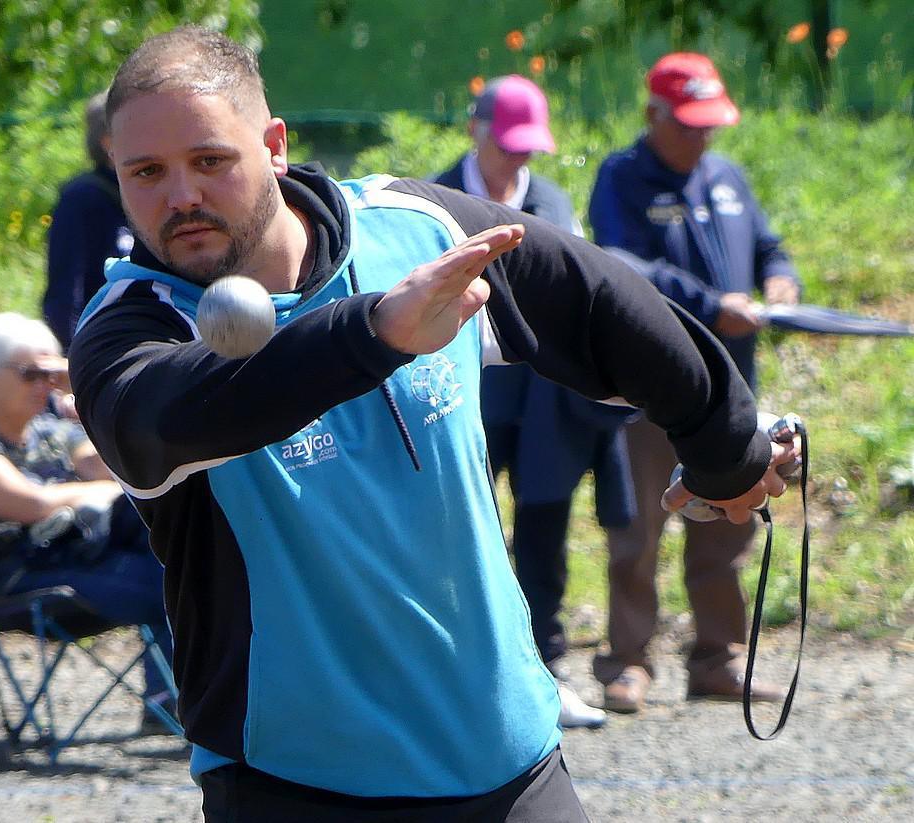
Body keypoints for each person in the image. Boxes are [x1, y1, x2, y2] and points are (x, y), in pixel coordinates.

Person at [69, 27, 797, 821]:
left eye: (210, 160)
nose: (180, 197)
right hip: (297, 784)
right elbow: (174, 414)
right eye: (146, 172)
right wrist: (374, 331)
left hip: (511, 760)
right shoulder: (128, 332)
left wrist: (723, 441)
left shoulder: (413, 232)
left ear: (274, 146)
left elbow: (598, 306)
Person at [587, 52, 801, 714]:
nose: (701, 136)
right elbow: (622, 263)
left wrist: (779, 277)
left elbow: (768, 244)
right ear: (653, 115)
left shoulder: (726, 175)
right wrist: (712, 304)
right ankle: (627, 661)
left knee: (731, 523)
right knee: (639, 532)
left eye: (710, 125)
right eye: (688, 124)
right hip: (650, 387)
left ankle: (718, 657)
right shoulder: (620, 178)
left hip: (730, 390)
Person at [433, 75, 637, 730]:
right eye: (507, 144)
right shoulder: (433, 199)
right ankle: (456, 678)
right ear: (476, 130)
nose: (519, 159)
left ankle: (548, 668)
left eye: (529, 147)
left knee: (544, 530)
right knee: (456, 529)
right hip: (461, 392)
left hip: (545, 395)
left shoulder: (552, 200)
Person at [0, 312, 173, 730]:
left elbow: (119, 468)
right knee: (171, 580)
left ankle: (176, 696)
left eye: (51, 373)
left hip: (78, 561)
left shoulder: (51, 432)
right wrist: (104, 492)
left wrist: (85, 391)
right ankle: (181, 698)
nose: (44, 385)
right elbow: (32, 503)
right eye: (31, 373)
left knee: (174, 546)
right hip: (22, 579)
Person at [42, 91, 134, 349]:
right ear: (108, 142)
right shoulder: (81, 198)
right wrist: (72, 359)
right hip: (99, 347)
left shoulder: (148, 192)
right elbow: (65, 288)